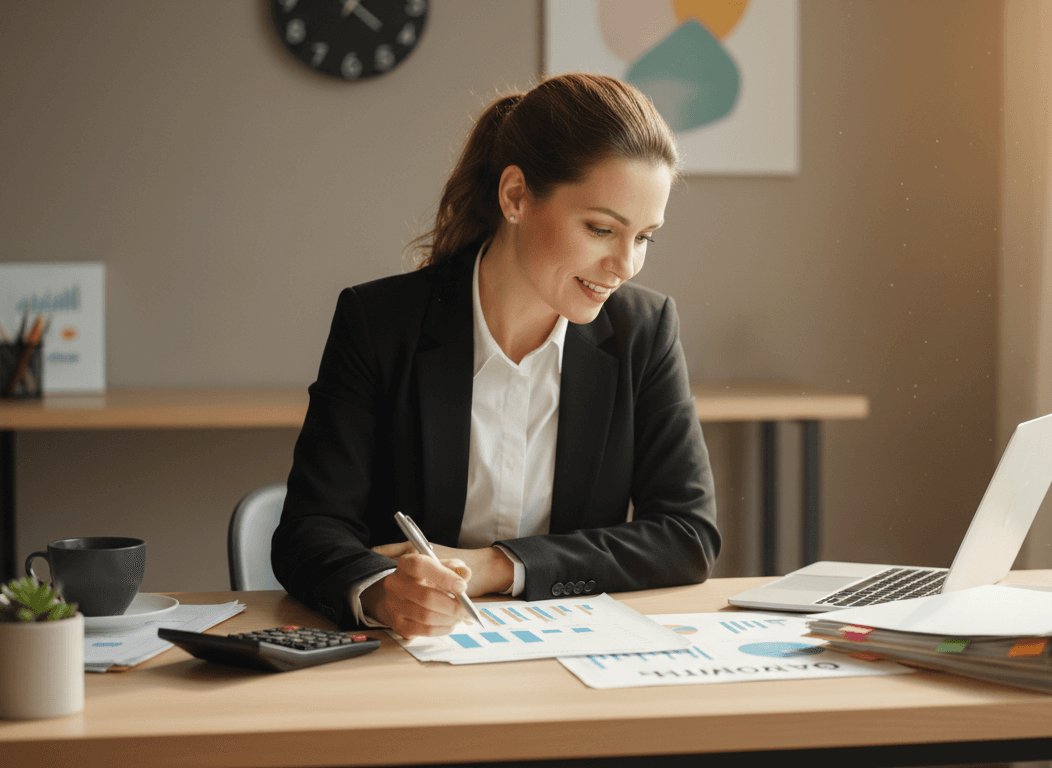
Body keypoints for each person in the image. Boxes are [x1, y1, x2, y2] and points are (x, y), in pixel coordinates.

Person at [271, 73, 721, 638]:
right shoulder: (380, 323)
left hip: (568, 655)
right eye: (601, 229)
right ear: (515, 196)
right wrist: (384, 593)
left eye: (645, 237)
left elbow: (688, 534)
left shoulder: (644, 331)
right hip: (408, 660)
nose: (626, 265)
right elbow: (309, 530)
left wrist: (499, 565)